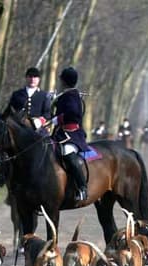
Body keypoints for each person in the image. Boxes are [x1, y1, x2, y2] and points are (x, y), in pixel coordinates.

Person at [0, 67, 52, 187]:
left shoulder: (44, 95)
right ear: (26, 78)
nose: (32, 79)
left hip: (37, 129)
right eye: (30, 76)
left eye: (35, 77)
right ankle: (3, 175)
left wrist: (39, 121)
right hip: (19, 129)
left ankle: (47, 173)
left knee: (47, 146)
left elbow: (47, 113)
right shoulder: (17, 94)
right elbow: (8, 111)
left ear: (39, 79)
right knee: (6, 146)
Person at [50, 67, 88, 202]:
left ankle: (82, 187)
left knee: (68, 154)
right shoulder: (66, 95)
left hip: (72, 133)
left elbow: (73, 114)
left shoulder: (71, 95)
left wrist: (58, 119)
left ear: (64, 81)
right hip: (60, 133)